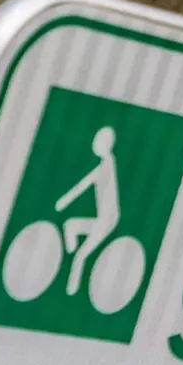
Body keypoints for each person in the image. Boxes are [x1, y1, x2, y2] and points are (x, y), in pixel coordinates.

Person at [55, 126, 121, 294]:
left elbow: (82, 185)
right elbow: (82, 185)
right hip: (103, 219)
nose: (94, 144)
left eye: (98, 141)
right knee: (70, 226)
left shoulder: (106, 166)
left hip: (108, 220)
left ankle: (71, 290)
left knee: (80, 257)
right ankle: (70, 251)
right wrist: (63, 201)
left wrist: (63, 202)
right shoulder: (105, 165)